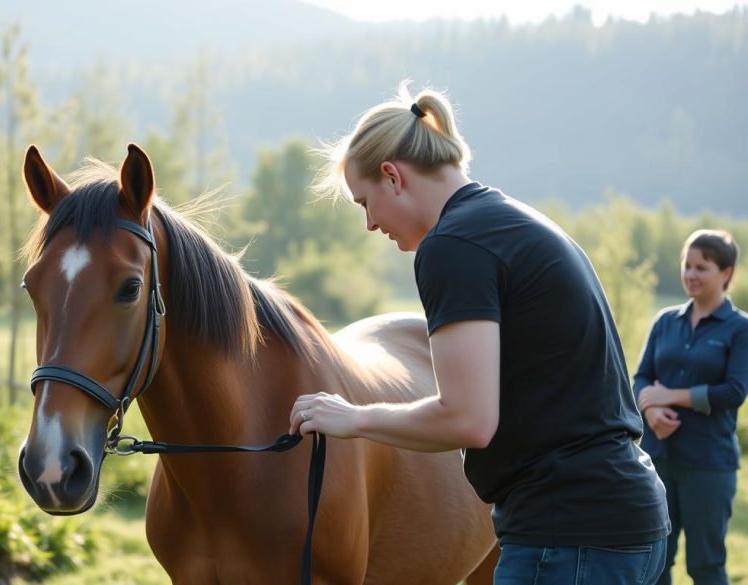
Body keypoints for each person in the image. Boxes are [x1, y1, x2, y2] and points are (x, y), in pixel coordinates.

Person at [287, 82, 670, 583]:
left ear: (392, 176)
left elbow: (467, 419)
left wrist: (352, 417)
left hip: (567, 537)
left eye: (365, 203)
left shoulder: (454, 245)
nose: (370, 224)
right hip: (625, 520)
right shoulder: (507, 221)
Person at [634, 229, 747, 585]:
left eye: (702, 267)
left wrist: (671, 396)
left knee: (705, 565)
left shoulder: (740, 328)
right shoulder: (665, 321)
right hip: (658, 458)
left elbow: (734, 392)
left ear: (726, 273)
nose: (691, 274)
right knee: (654, 562)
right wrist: (651, 412)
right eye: (687, 265)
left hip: (708, 466)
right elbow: (640, 379)